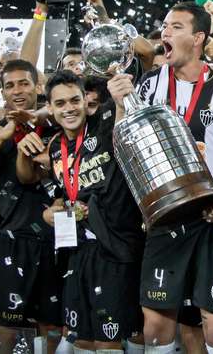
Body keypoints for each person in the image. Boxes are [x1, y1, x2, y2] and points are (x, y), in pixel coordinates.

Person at [111, 1, 213, 354]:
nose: (164, 32)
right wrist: (118, 106)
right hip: (165, 219)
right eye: (164, 25)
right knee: (156, 326)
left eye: (175, 27)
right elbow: (125, 147)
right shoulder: (147, 87)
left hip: (209, 222)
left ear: (199, 37)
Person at [17, 70, 145, 351]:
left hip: (116, 249)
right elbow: (66, 193)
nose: (69, 109)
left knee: (109, 341)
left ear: (86, 102)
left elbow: (123, 119)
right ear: (49, 108)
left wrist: (122, 99)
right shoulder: (55, 149)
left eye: (75, 100)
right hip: (77, 251)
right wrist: (52, 211)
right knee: (82, 339)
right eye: (60, 104)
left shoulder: (105, 125)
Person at [0, 59, 63, 353]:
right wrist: (2, 138)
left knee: (52, 324)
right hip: (12, 239)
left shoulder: (58, 123)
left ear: (38, 86)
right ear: (2, 91)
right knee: (6, 326)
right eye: (9, 85)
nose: (17, 90)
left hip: (56, 237)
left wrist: (39, 118)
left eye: (24, 83)